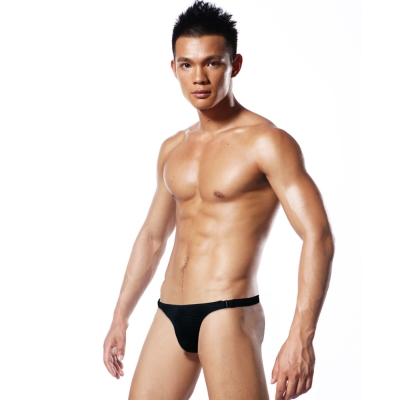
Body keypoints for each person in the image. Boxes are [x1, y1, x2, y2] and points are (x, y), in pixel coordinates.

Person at [103, 1, 334, 399]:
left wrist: (302, 336)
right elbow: (153, 237)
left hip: (227, 311)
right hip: (169, 310)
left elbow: (318, 234)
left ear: (234, 65)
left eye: (212, 63)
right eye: (187, 64)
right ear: (174, 68)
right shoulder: (173, 148)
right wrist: (120, 316)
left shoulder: (267, 143)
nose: (199, 77)